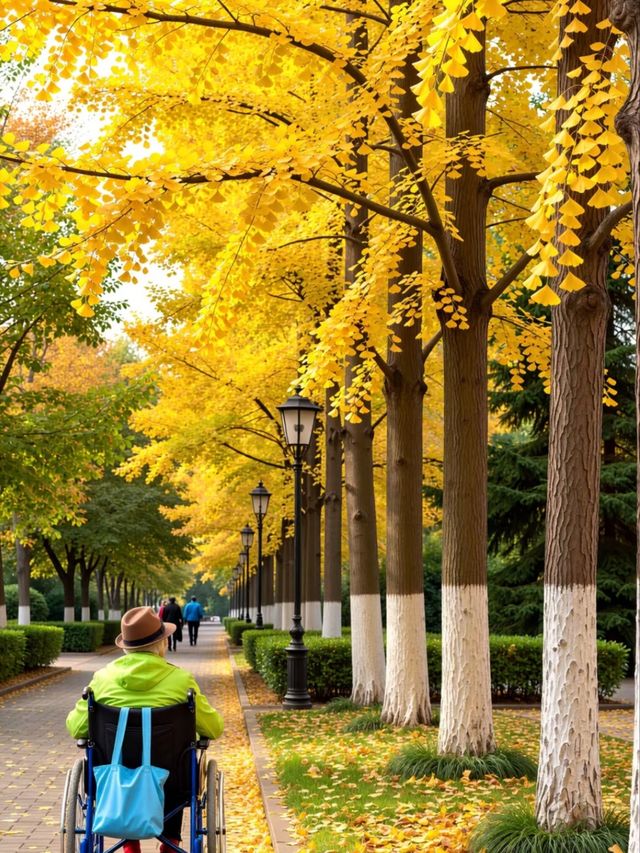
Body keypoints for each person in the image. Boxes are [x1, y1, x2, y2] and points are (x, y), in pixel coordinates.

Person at [66, 606, 223, 853]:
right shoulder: (182, 680)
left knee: (133, 764)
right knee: (176, 766)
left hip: (114, 779)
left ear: (126, 646)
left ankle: (130, 844)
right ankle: (171, 843)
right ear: (162, 643)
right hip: (173, 781)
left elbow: (76, 727)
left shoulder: (101, 679)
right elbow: (213, 728)